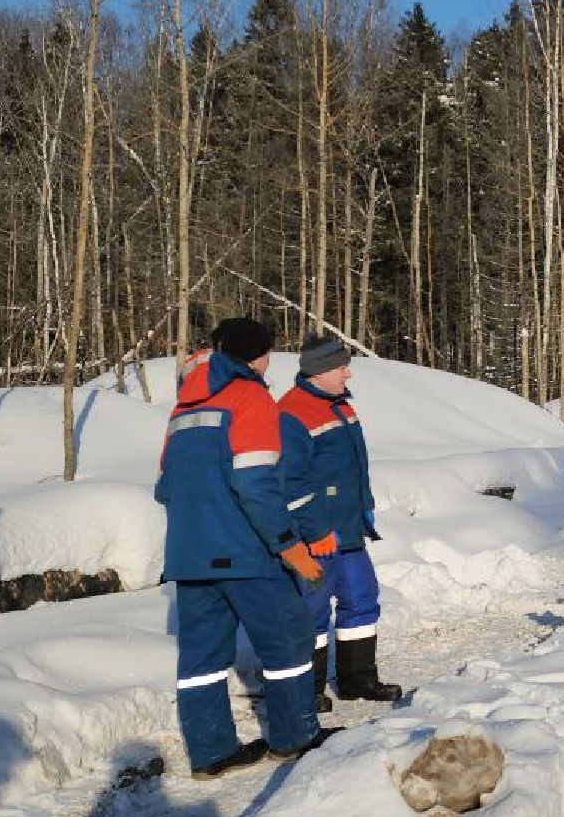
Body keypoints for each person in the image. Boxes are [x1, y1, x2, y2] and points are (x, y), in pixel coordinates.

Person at [156, 317, 333, 779]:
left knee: (201, 657)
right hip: (244, 550)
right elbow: (255, 483)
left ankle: (212, 752)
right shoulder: (250, 397)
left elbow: (164, 487)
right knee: (289, 636)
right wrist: (288, 544)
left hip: (188, 555)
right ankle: (294, 737)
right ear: (260, 355)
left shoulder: (182, 410)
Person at [278, 333, 402, 710]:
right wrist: (315, 531)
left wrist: (364, 506)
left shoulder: (341, 406)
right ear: (320, 370)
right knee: (312, 613)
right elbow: (291, 483)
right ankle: (308, 688)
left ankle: (358, 679)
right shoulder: (292, 413)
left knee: (361, 599)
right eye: (341, 367)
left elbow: (354, 468)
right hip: (317, 536)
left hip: (348, 529)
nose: (348, 373)